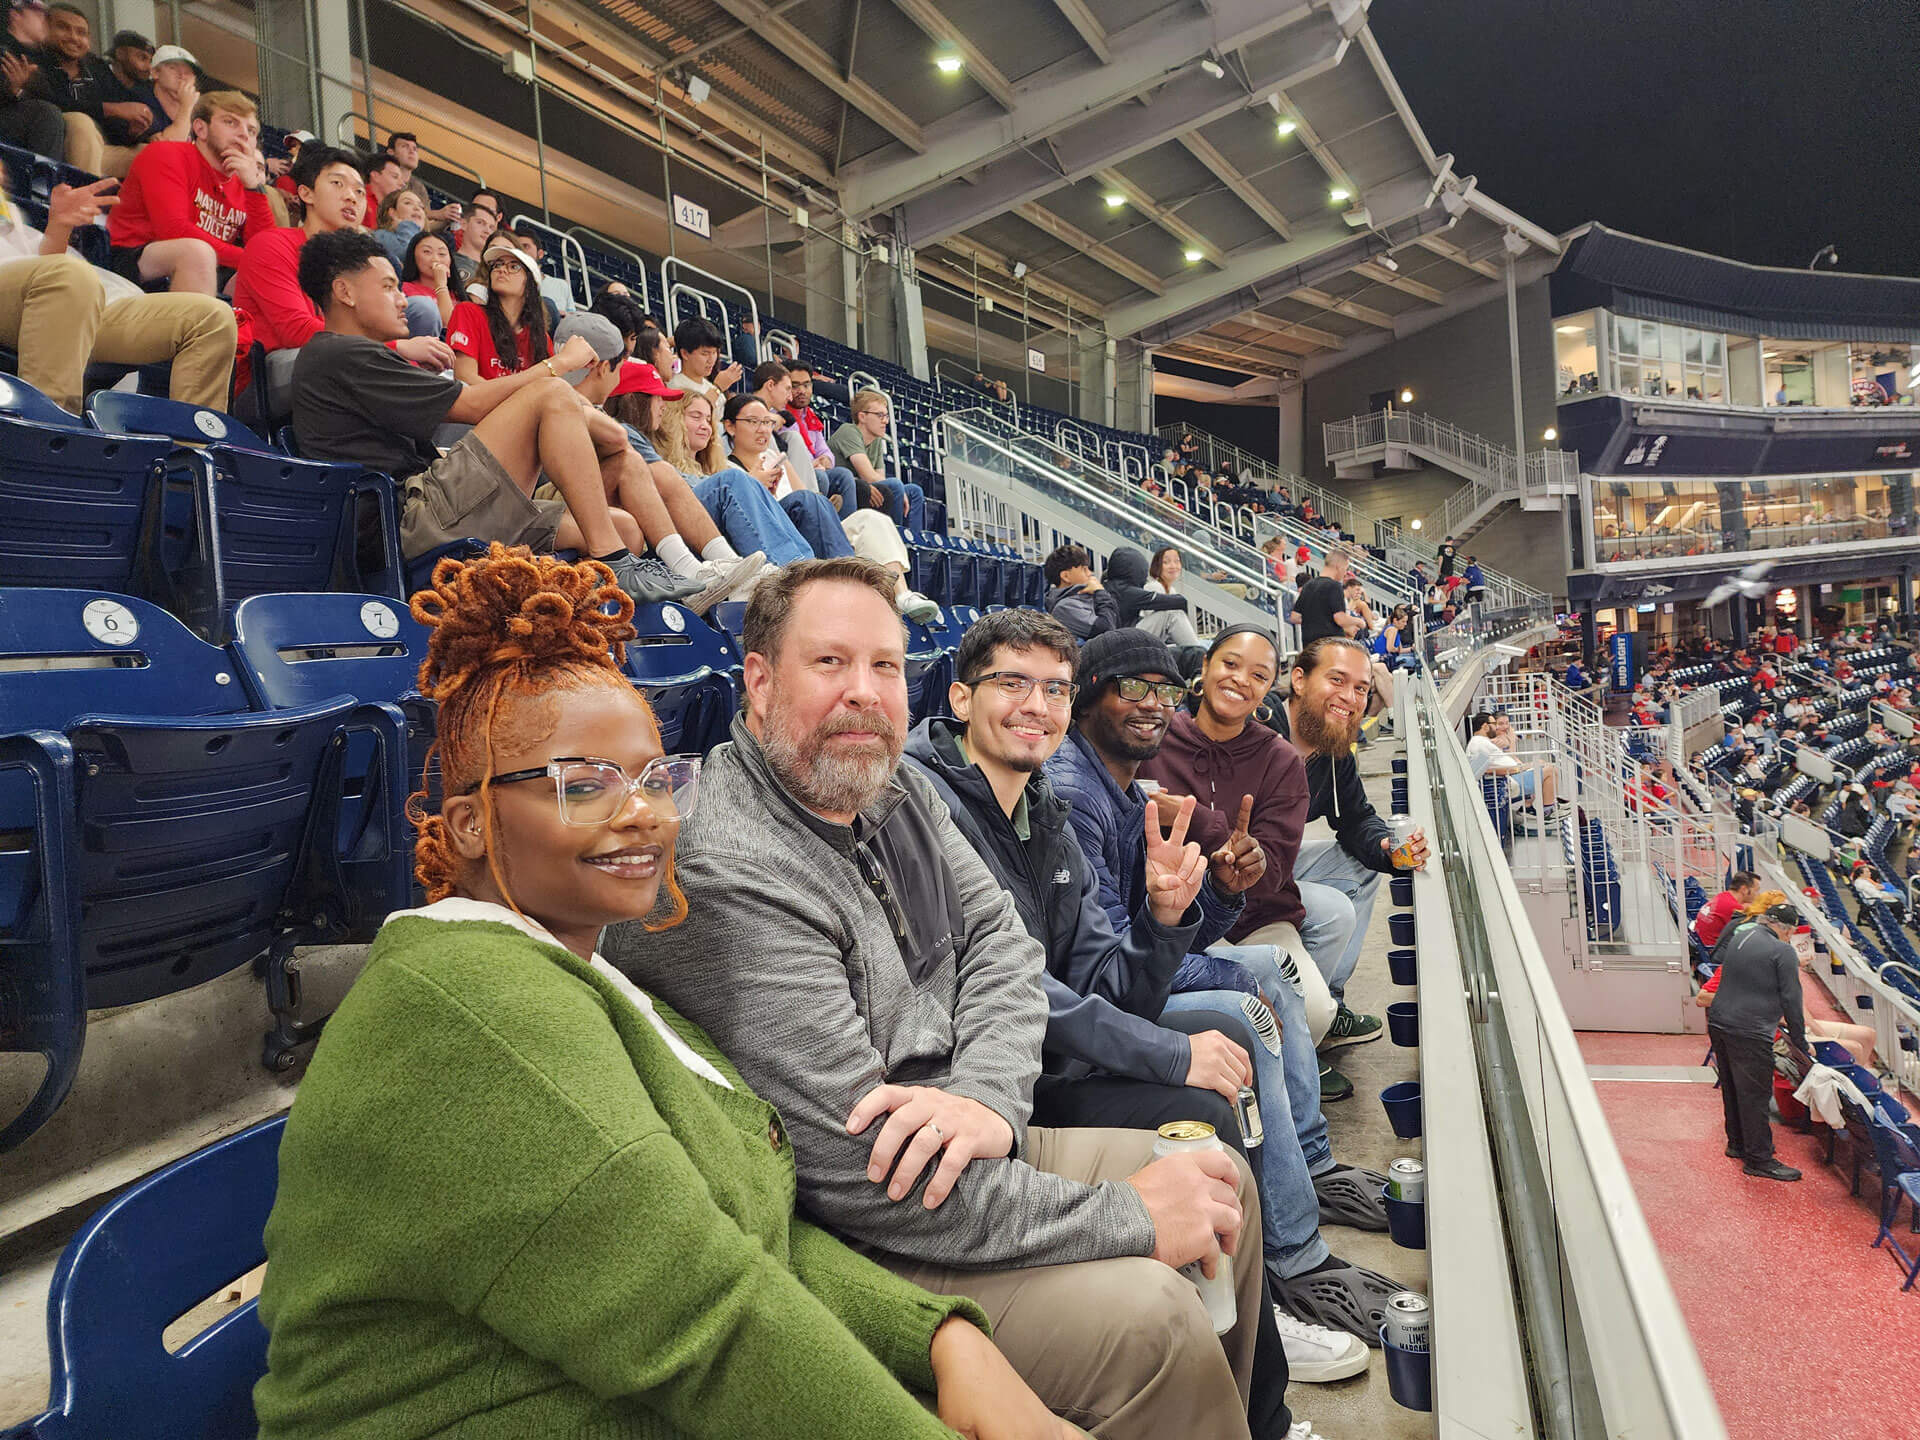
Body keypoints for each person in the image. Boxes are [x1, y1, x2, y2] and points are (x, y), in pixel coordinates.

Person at [254, 545, 1072, 1440]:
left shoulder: (592, 977)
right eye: (583, 784)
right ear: (470, 826)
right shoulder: (470, 1012)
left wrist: (946, 1343)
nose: (642, 811)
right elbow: (709, 1321)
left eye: (654, 776)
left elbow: (752, 1233)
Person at [608, 559, 1313, 1440]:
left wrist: (985, 1101)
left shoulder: (891, 783)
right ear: (757, 681)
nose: (864, 694)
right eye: (829, 664)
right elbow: (869, 1184)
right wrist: (1129, 1215)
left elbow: (1008, 950)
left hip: (975, 1135)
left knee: (1221, 1187)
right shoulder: (732, 866)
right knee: (1156, 1320)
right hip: (874, 1225)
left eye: (887, 667)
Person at [1052, 626, 1402, 1353]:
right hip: (1082, 1027)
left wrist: (1221, 885)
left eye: (1160, 692)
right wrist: (1213, 920)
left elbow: (1174, 921)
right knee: (1249, 1001)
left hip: (1170, 959)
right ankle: (1292, 1255)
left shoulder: (1129, 781)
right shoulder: (1079, 790)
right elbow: (1114, 967)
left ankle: (1310, 1170)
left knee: (1262, 982)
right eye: (1133, 690)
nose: (1152, 707)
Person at [290, 229, 713, 610]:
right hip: (404, 522)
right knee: (550, 393)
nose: (402, 299)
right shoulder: (341, 353)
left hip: (425, 506)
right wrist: (558, 365)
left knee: (625, 525)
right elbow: (471, 406)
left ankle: (576, 628)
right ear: (344, 292)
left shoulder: (350, 356)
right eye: (387, 287)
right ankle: (613, 562)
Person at [1247, 638, 1422, 1053]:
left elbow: (1356, 817)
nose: (1350, 697)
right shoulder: (1256, 728)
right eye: (1337, 680)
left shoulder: (1332, 746)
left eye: (1361, 688)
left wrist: (1387, 847)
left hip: (1276, 865)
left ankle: (1330, 1002)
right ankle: (1297, 1034)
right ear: (1299, 680)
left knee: (1364, 866)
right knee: (1333, 911)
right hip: (1235, 876)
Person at [0, 158, 235, 411]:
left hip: (73, 302)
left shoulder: (11, 215)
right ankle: (49, 426)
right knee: (70, 276)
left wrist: (60, 225)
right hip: (38, 294)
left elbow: (45, 266)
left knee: (212, 318)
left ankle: (194, 444)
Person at [234, 145, 445, 363]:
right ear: (306, 193)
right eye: (338, 184)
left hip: (352, 360)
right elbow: (295, 331)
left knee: (420, 310)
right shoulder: (272, 245)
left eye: (360, 192)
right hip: (286, 368)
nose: (352, 198)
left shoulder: (365, 262)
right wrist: (396, 348)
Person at [106, 89, 274, 294]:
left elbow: (265, 248)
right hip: (135, 258)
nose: (243, 134)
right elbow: (173, 231)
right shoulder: (166, 155)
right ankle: (195, 326)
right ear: (201, 129)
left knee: (276, 276)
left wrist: (253, 188)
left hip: (210, 267)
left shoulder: (244, 182)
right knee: (197, 252)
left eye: (252, 130)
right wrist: (249, 260)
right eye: (230, 122)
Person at [1701, 901, 1807, 1181]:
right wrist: (1800, 1042)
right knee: (1755, 1095)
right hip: (1750, 1030)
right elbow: (1792, 1000)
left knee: (1733, 1089)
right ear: (1787, 929)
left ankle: (1736, 1143)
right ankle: (1759, 1159)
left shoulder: (1741, 936)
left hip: (1720, 1023)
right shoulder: (1783, 951)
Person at [40, 3, 150, 176]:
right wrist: (111, 109)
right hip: (57, 150)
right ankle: (86, 200)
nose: (74, 37)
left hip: (97, 152)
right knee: (80, 122)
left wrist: (131, 130)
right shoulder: (35, 61)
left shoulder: (97, 68)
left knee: (152, 153)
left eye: (81, 33)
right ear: (44, 29)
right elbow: (52, 104)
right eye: (63, 28)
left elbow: (116, 121)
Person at [752, 359, 858, 515]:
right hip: (775, 474)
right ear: (770, 386)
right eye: (791, 388)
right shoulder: (772, 414)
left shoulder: (809, 416)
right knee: (821, 475)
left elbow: (825, 451)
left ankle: (827, 513)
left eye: (806, 385)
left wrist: (825, 460)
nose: (792, 395)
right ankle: (816, 505)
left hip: (798, 470)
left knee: (845, 476)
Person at [448, 238, 551, 384]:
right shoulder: (468, 312)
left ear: (530, 285)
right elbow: (465, 377)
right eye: (497, 265)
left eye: (514, 267)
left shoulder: (540, 337)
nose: (501, 269)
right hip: (477, 403)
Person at [829, 387, 928, 531]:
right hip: (846, 491)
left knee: (914, 491)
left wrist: (899, 490)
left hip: (866, 488)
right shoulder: (848, 431)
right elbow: (868, 476)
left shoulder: (875, 440)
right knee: (895, 485)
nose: (885, 421)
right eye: (880, 415)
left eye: (886, 416)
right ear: (862, 417)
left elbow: (879, 477)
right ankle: (894, 537)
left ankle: (911, 540)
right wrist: (897, 488)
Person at [0, 1, 66, 161]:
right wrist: (12, 90)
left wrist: (19, 91)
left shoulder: (47, 58)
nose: (44, 18)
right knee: (47, 115)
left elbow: (62, 99)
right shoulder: (4, 50)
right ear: (15, 15)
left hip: (33, 120)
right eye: (37, 12)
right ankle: (43, 184)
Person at [1288, 548, 1360, 648]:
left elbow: (1294, 617)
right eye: (1345, 569)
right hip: (1331, 645)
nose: (1345, 573)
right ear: (1338, 566)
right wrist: (1359, 621)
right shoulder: (1335, 586)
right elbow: (1340, 619)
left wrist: (1316, 620)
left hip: (1310, 646)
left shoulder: (1308, 585)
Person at [1043, 543, 1116, 639]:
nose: (1090, 573)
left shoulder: (1085, 596)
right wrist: (1100, 592)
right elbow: (1107, 631)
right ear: (1066, 576)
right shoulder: (1065, 607)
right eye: (1084, 569)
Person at [671, 314, 744, 403]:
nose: (711, 359)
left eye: (714, 352)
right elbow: (695, 413)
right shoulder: (675, 387)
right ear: (685, 354)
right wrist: (718, 387)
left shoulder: (709, 386)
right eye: (705, 354)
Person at [399, 227, 456, 334]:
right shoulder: (404, 290)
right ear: (413, 257)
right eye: (427, 252)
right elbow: (447, 325)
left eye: (442, 254)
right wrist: (441, 286)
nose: (435, 259)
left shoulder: (458, 295)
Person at [1692, 871, 1758, 952]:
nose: (1758, 894)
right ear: (1744, 889)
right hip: (1712, 952)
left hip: (1701, 948)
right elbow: (1750, 935)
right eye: (1756, 890)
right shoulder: (1734, 908)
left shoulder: (1722, 897)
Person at [450, 188, 499, 287]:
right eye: (480, 222)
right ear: (463, 224)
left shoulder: (497, 271)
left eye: (491, 228)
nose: (487, 231)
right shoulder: (448, 261)